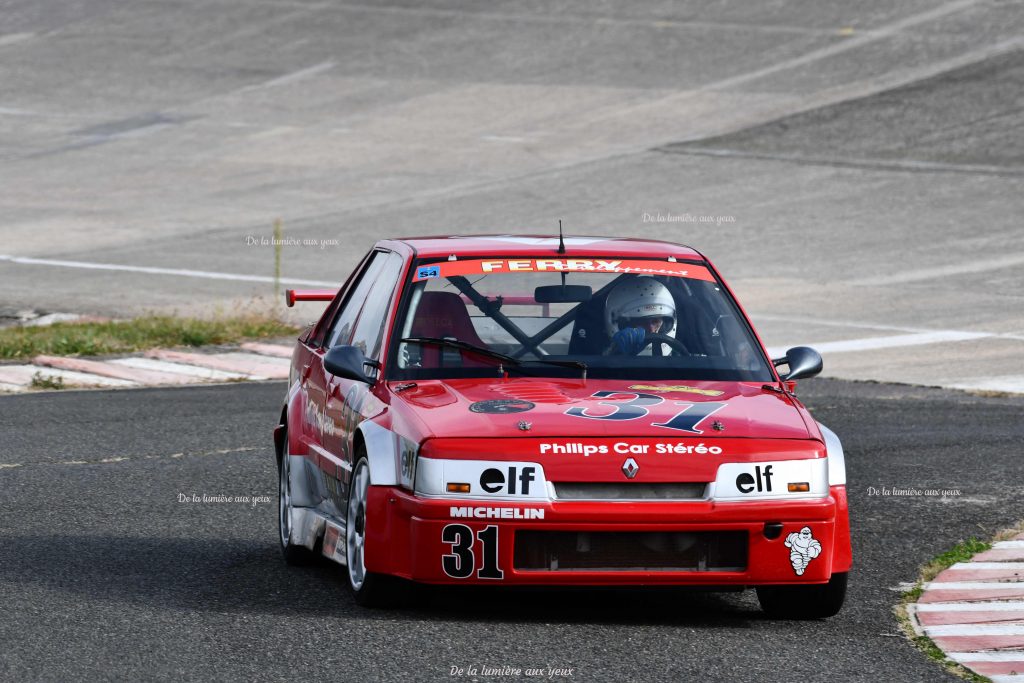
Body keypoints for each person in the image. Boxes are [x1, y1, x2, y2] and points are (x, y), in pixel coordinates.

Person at [603, 277, 677, 356]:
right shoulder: (600, 364)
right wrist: (614, 353)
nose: (651, 330)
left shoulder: (685, 360)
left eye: (655, 321)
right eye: (641, 322)